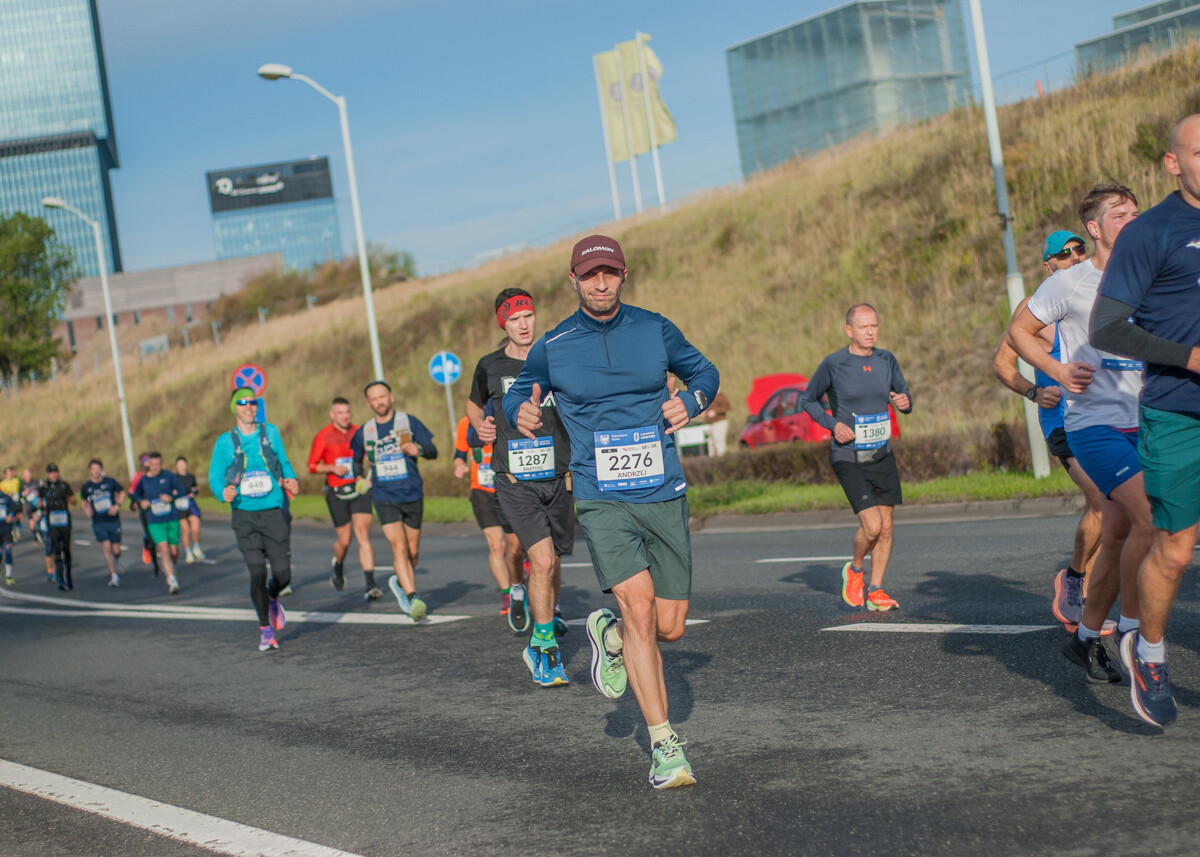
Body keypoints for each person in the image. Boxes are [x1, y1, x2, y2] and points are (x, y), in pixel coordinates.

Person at [504, 234, 719, 788]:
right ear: (573, 280)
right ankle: (665, 746)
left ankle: (612, 635)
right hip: (601, 496)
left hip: (663, 490)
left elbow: (706, 373)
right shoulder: (554, 345)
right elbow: (517, 391)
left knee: (670, 627)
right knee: (640, 610)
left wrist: (690, 401)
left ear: (623, 275)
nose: (600, 283)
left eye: (609, 273)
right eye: (590, 275)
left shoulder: (655, 329)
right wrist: (519, 411)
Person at [1009, 182, 1147, 684]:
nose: (1131, 220)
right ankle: (1133, 634)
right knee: (1150, 520)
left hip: (1146, 420)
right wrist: (1055, 373)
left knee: (1116, 532)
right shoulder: (1068, 283)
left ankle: (1085, 638)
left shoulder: (1148, 274)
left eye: (1135, 212)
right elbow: (1017, 334)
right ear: (1095, 228)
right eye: (1120, 214)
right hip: (1092, 424)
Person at [1091, 114, 1200, 726]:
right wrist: (1188, 356)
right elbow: (1106, 328)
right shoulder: (1150, 232)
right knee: (1176, 549)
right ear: (1172, 163)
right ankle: (1149, 651)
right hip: (1179, 409)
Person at [992, 231, 1104, 627]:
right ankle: (1074, 579)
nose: (1075, 257)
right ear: (1048, 265)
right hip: (1062, 424)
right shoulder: (1034, 308)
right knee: (1103, 503)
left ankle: (1083, 596)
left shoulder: (1093, 297)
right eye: (1064, 253)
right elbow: (1002, 364)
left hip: (1100, 418)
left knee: (1115, 511)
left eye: (1079, 250)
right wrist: (1034, 391)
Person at [471, 288, 575, 685]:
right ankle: (543, 648)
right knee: (542, 561)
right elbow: (474, 404)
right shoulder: (489, 365)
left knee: (554, 560)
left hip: (559, 477)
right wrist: (480, 425)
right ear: (504, 323)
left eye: (528, 315)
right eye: (515, 319)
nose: (524, 324)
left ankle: (549, 611)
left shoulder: (555, 356)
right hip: (515, 480)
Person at [799, 304, 913, 612]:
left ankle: (875, 590)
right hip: (848, 455)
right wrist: (833, 424)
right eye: (864, 327)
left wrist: (905, 402)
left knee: (886, 528)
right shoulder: (834, 363)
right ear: (849, 331)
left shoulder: (886, 360)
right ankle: (855, 569)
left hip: (882, 453)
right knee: (872, 526)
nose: (871, 332)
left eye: (874, 326)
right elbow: (807, 400)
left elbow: (904, 395)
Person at [208, 388, 300, 652]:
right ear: (234, 408)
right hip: (244, 516)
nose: (249, 406)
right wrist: (222, 492)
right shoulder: (224, 442)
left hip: (273, 512)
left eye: (253, 402)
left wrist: (291, 479)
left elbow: (283, 462)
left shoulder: (271, 433)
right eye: (243, 402)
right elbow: (215, 477)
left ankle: (272, 597)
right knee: (258, 571)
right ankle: (265, 631)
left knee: (283, 574)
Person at [350, 380, 436, 620]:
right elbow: (356, 460)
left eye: (382, 397)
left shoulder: (408, 422)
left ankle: (400, 581)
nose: (379, 402)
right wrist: (359, 477)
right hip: (384, 496)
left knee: (413, 552)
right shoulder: (365, 431)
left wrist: (419, 450)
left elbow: (433, 450)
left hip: (412, 493)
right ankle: (413, 597)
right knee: (399, 547)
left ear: (391, 397)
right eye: (374, 399)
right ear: (368, 403)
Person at [453, 413, 524, 621]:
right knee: (496, 546)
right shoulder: (466, 423)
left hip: (510, 488)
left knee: (517, 546)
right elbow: (459, 454)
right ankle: (508, 595)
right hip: (482, 490)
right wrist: (458, 464)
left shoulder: (506, 414)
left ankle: (523, 566)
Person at [308, 397, 376, 594]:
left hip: (358, 488)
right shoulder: (323, 436)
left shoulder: (358, 432)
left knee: (363, 534)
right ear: (332, 415)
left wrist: (369, 466)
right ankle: (338, 564)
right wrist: (332, 468)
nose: (345, 416)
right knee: (345, 540)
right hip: (336, 491)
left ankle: (370, 585)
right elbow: (312, 466)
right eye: (340, 413)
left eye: (347, 412)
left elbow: (369, 455)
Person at [130, 452, 183, 595]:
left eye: (158, 464)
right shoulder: (143, 480)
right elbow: (135, 494)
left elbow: (181, 490)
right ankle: (172, 580)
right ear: (149, 465)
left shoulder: (168, 475)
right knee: (164, 549)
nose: (155, 467)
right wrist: (141, 502)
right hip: (154, 521)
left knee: (173, 552)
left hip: (171, 518)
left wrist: (171, 497)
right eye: (153, 465)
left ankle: (171, 568)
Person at [80, 459, 126, 588]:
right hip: (99, 521)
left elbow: (122, 492)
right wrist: (86, 509)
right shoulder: (87, 486)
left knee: (116, 550)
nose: (96, 471)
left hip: (113, 520)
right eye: (93, 469)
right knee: (106, 548)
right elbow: (83, 500)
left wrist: (117, 506)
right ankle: (113, 576)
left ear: (101, 469)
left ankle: (117, 559)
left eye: (98, 469)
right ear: (90, 470)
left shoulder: (110, 482)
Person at [39, 463, 77, 591]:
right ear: (47, 474)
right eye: (51, 473)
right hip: (52, 521)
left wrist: (67, 498)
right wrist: (42, 506)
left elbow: (74, 501)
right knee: (56, 549)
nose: (54, 475)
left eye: (55, 472)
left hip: (64, 520)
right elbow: (39, 502)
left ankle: (68, 577)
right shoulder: (44, 487)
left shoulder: (64, 485)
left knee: (66, 549)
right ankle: (60, 580)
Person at [128, 454, 162, 576]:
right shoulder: (139, 476)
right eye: (146, 461)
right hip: (146, 510)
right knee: (152, 538)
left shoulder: (159, 474)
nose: (149, 463)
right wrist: (137, 502)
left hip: (160, 507)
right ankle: (155, 566)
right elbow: (132, 493)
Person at [173, 457, 205, 563]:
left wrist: (195, 490)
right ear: (177, 466)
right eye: (180, 464)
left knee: (196, 528)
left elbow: (195, 488)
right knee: (186, 530)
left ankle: (197, 547)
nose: (182, 466)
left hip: (191, 504)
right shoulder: (174, 478)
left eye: (183, 464)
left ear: (186, 465)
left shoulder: (191, 477)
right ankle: (188, 552)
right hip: (180, 505)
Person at [703, 390, 732, 457]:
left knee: (719, 443)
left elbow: (728, 406)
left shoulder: (720, 396)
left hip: (720, 422)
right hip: (710, 424)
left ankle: (722, 460)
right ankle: (713, 461)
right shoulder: (708, 397)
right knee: (711, 444)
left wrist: (715, 412)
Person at [0, 488, 19, 584]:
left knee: (8, 552)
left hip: (6, 530)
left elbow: (15, 507)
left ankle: (9, 576)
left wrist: (11, 515)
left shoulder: (6, 498)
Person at [1, 467, 23, 541]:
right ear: (5, 474)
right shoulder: (2, 483)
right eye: (8, 473)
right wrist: (8, 495)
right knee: (11, 516)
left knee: (19, 515)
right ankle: (12, 529)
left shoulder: (16, 480)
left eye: (11, 473)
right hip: (7, 503)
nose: (10, 474)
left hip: (17, 501)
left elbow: (22, 487)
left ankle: (18, 527)